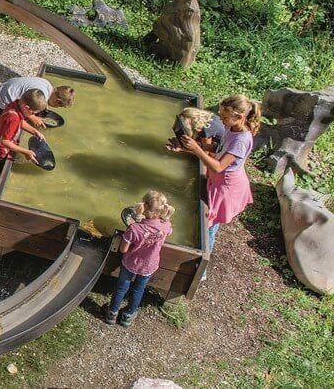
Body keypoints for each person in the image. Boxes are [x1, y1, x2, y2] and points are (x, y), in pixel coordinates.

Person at [177, 94, 260, 259]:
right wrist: (187, 147)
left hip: (226, 188)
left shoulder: (241, 141)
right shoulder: (233, 128)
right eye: (221, 115)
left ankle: (201, 266)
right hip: (218, 182)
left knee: (209, 228)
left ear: (239, 117)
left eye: (225, 117)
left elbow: (218, 167)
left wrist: (196, 149)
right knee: (207, 221)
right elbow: (219, 147)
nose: (221, 119)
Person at [104, 190, 175, 327]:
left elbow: (123, 249)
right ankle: (127, 316)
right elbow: (168, 232)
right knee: (138, 290)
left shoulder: (134, 228)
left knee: (121, 288)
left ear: (144, 207)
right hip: (149, 265)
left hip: (131, 263)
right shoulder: (166, 226)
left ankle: (112, 313)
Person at [0, 89, 47, 211]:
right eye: (33, 113)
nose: (32, 116)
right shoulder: (13, 118)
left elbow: (21, 122)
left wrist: (34, 131)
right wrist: (26, 151)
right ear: (26, 107)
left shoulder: (16, 104)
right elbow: (4, 141)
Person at [0, 76, 76, 127]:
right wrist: (33, 118)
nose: (56, 107)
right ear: (57, 101)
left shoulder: (47, 84)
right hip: (2, 102)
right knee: (17, 122)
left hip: (4, 88)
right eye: (59, 106)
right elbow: (24, 107)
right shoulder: (41, 94)